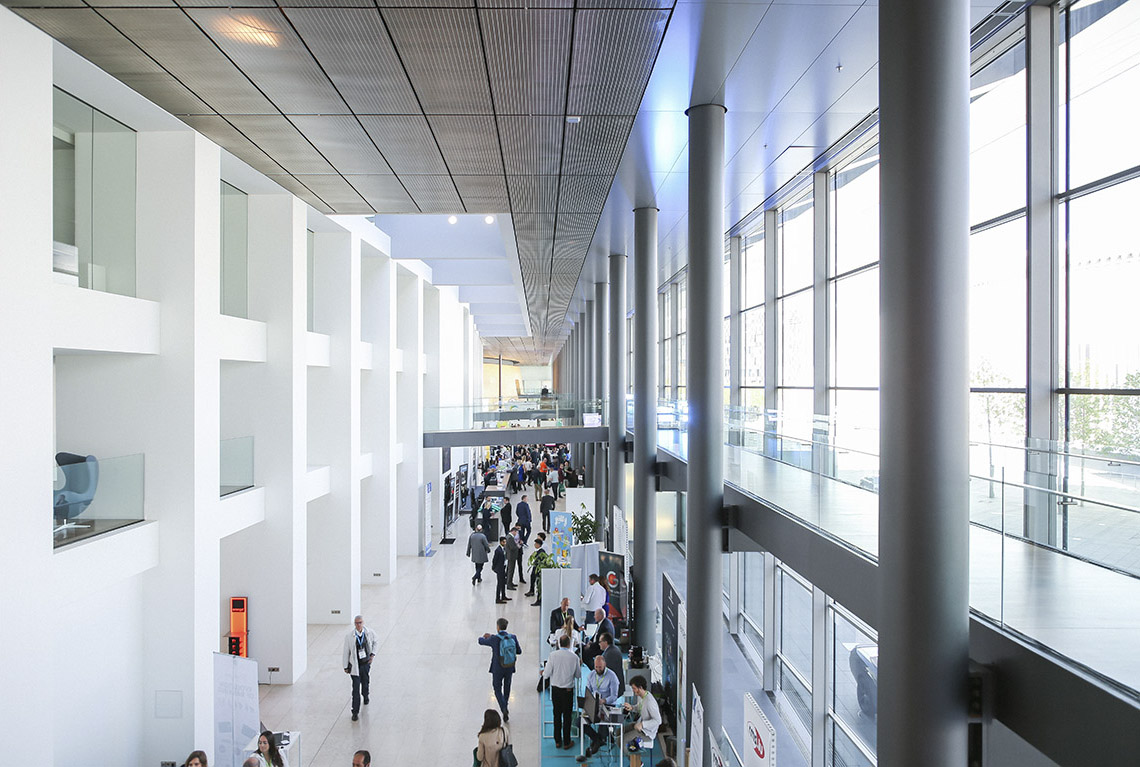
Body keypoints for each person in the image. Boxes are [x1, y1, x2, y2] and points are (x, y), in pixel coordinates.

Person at [542, 634, 582, 750]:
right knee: (567, 716)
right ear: (569, 644)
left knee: (557, 715)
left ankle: (557, 741)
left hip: (555, 690)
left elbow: (547, 673)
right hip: (568, 691)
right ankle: (567, 742)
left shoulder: (552, 655)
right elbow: (578, 675)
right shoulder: (574, 657)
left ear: (559, 644)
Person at [578, 655, 621, 760]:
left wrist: (604, 701)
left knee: (603, 728)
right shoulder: (591, 675)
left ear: (605, 665)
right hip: (594, 704)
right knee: (578, 722)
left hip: (607, 705)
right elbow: (588, 690)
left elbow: (614, 696)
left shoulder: (612, 676)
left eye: (600, 667)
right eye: (596, 667)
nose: (598, 669)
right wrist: (587, 702)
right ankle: (597, 739)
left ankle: (598, 740)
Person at [478, 618, 522, 722]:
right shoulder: (513, 637)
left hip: (498, 669)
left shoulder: (494, 639)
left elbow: (480, 641)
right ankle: (505, 706)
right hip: (509, 667)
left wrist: (484, 636)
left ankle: (503, 708)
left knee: (497, 689)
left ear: (498, 627)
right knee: (507, 688)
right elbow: (519, 651)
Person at [342, 615, 377, 722]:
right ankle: (355, 711)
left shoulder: (369, 632)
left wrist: (372, 655)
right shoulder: (349, 636)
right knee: (355, 689)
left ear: (363, 623)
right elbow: (346, 652)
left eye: (360, 622)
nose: (359, 625)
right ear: (354, 624)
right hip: (355, 667)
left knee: (365, 682)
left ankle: (366, 696)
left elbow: (375, 641)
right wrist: (345, 666)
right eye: (357, 623)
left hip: (365, 664)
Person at [621, 675, 662, 760]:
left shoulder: (650, 702)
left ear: (640, 688)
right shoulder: (642, 697)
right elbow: (639, 707)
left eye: (634, 688)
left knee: (623, 740)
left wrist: (643, 724)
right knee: (620, 731)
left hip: (647, 732)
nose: (633, 690)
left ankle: (636, 763)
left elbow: (658, 721)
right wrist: (632, 708)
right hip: (640, 726)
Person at [527, 538, 556, 605]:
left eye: (535, 544)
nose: (534, 545)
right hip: (536, 570)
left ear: (538, 544)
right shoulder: (538, 551)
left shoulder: (541, 552)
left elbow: (540, 562)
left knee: (538, 585)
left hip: (538, 571)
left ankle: (539, 600)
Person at [599, 632, 625, 697]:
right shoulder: (614, 649)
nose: (599, 644)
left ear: (605, 642)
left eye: (600, 642)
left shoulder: (609, 654)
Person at [492, 536, 510, 604]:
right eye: (503, 542)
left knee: (503, 583)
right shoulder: (498, 550)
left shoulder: (504, 549)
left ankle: (503, 596)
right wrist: (494, 568)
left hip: (503, 567)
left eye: (505, 542)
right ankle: (498, 598)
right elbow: (495, 560)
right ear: (500, 542)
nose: (505, 543)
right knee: (499, 583)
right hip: (499, 569)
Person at [504, 526, 521, 591]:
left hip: (511, 556)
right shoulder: (510, 538)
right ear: (513, 531)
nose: (516, 534)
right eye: (516, 532)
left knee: (510, 570)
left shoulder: (509, 537)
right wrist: (517, 546)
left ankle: (510, 582)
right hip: (511, 556)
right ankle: (509, 584)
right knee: (511, 570)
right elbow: (512, 547)